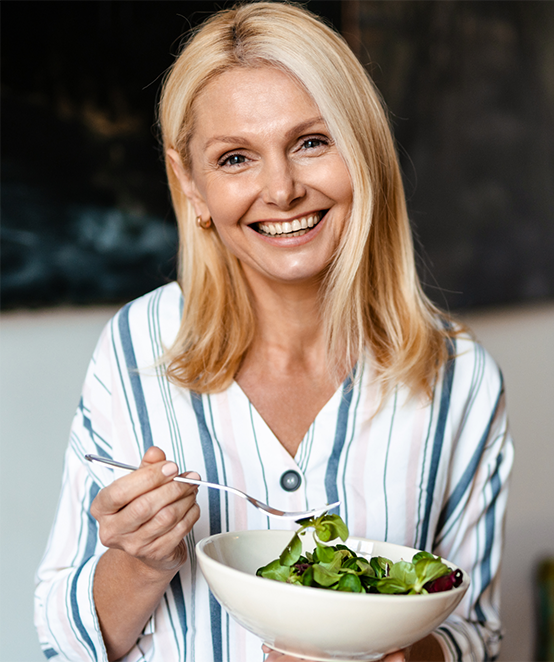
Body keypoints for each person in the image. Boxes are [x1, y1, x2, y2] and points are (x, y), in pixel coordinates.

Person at [34, 3, 514, 661]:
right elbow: (65, 643)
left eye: (310, 142)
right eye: (235, 158)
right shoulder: (136, 347)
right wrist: (140, 563)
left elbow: (476, 633)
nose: (282, 190)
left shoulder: (458, 373)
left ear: (364, 148)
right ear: (190, 184)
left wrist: (399, 657)